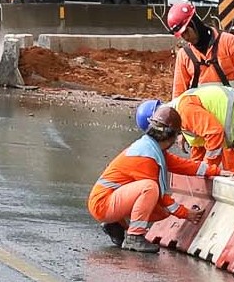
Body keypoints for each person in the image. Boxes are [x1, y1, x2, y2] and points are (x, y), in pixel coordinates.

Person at [91, 101, 214, 253]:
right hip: (103, 204)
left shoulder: (153, 149)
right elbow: (161, 196)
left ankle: (115, 224)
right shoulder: (147, 155)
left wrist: (214, 171)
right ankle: (134, 238)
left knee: (160, 207)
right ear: (171, 136)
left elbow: (184, 165)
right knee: (150, 188)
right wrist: (186, 214)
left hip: (107, 201)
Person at [165, 2, 234, 94]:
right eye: (181, 35)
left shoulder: (230, 43)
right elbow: (178, 94)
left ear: (194, 23)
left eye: (186, 31)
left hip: (232, 107)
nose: (185, 37)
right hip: (200, 108)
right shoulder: (184, 55)